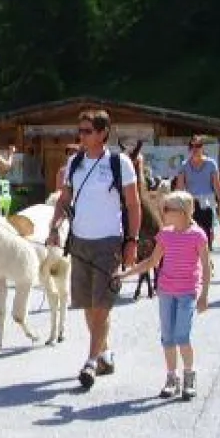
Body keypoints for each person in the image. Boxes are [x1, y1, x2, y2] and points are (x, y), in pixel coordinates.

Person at [46, 109, 142, 389]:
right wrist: (54, 227)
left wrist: (132, 241)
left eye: (88, 131)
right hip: (79, 242)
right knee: (89, 305)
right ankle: (104, 352)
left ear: (102, 133)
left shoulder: (119, 163)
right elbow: (65, 199)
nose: (82, 135)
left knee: (102, 305)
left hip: (109, 242)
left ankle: (90, 361)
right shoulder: (74, 162)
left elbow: (134, 205)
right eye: (80, 130)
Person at [118, 191, 210, 400]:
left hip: (187, 293)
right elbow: (151, 262)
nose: (163, 213)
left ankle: (189, 376)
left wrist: (204, 295)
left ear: (183, 212)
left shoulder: (197, 235)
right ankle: (171, 378)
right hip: (166, 292)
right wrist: (125, 274)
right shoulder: (165, 234)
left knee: (182, 336)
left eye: (167, 209)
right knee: (167, 337)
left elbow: (206, 266)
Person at [173, 136, 220, 248]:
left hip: (207, 202)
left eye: (198, 146)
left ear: (202, 147)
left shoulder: (211, 163)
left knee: (206, 232)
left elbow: (217, 184)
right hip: (191, 202)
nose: (195, 149)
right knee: (191, 231)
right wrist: (177, 204)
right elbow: (180, 187)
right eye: (192, 146)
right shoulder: (184, 165)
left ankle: (207, 257)